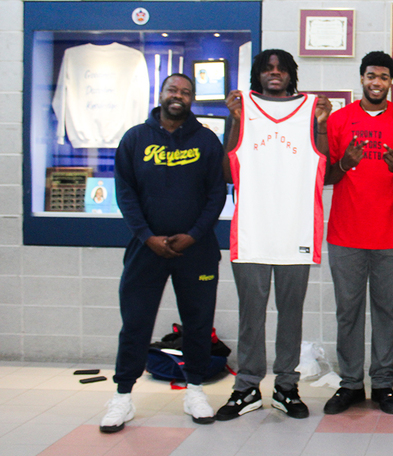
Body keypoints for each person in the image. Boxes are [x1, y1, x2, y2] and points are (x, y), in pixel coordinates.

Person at [101, 73, 226, 432]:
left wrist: (194, 234)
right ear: (161, 94)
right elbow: (125, 192)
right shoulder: (135, 138)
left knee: (199, 324)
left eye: (186, 92)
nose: (179, 96)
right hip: (146, 248)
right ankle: (122, 397)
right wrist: (146, 235)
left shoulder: (206, 140)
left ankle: (196, 391)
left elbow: (216, 193)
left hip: (196, 250)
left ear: (192, 99)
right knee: (136, 324)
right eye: (173, 90)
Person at [214, 49, 330, 421]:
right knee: (252, 315)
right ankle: (246, 387)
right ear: (258, 76)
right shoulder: (243, 110)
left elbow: (323, 168)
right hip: (252, 232)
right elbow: (227, 170)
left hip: (296, 231)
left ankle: (285, 386)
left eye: (281, 69)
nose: (274, 74)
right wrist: (234, 121)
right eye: (267, 69)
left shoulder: (309, 111)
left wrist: (322, 124)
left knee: (291, 315)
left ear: (291, 75)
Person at [322, 51, 393, 416]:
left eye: (383, 76)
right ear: (361, 78)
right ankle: (350, 384)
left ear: (391, 81)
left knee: (386, 311)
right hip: (345, 233)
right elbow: (327, 176)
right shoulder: (339, 121)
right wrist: (345, 164)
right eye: (370, 76)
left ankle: (382, 383)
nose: (376, 82)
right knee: (348, 312)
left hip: (390, 235)